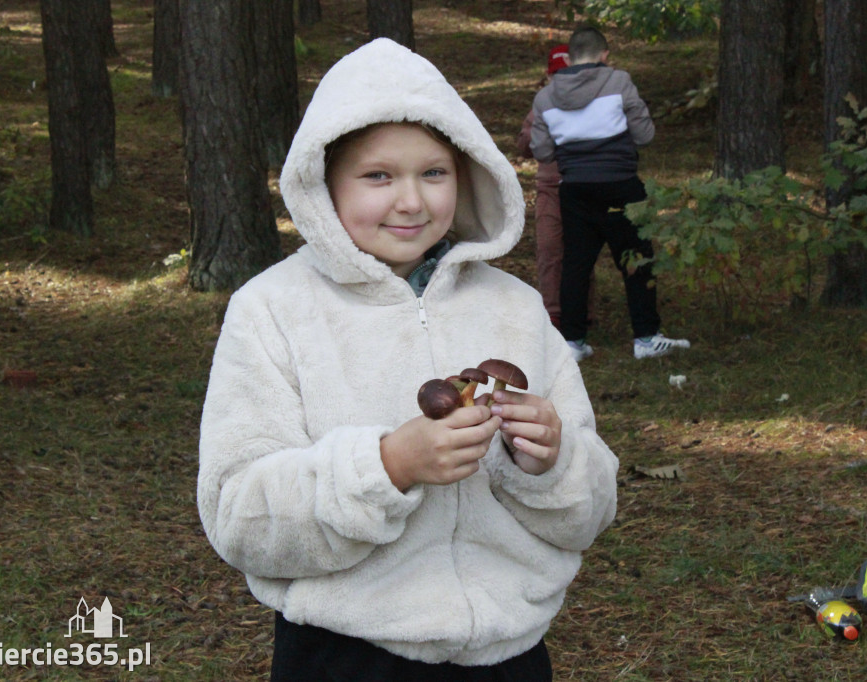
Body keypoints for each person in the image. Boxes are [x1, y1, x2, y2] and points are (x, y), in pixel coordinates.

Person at [197, 38, 619, 682]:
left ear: (467, 173)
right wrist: (387, 466)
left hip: (508, 656)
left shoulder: (516, 307)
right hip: (344, 655)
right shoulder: (274, 310)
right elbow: (239, 516)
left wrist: (551, 462)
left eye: (433, 172)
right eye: (378, 176)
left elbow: (590, 512)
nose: (411, 201)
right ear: (322, 184)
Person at [530, 26, 690, 360]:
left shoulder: (545, 99)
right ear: (605, 55)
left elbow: (542, 152)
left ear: (570, 57)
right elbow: (644, 134)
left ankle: (573, 342)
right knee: (636, 259)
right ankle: (646, 337)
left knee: (576, 265)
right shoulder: (619, 82)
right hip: (620, 185)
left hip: (574, 190)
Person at [516, 45, 596, 332]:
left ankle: (582, 312)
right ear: (549, 77)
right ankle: (553, 314)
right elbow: (524, 148)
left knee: (581, 250)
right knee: (550, 248)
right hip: (550, 188)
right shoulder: (541, 107)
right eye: (557, 76)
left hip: (584, 186)